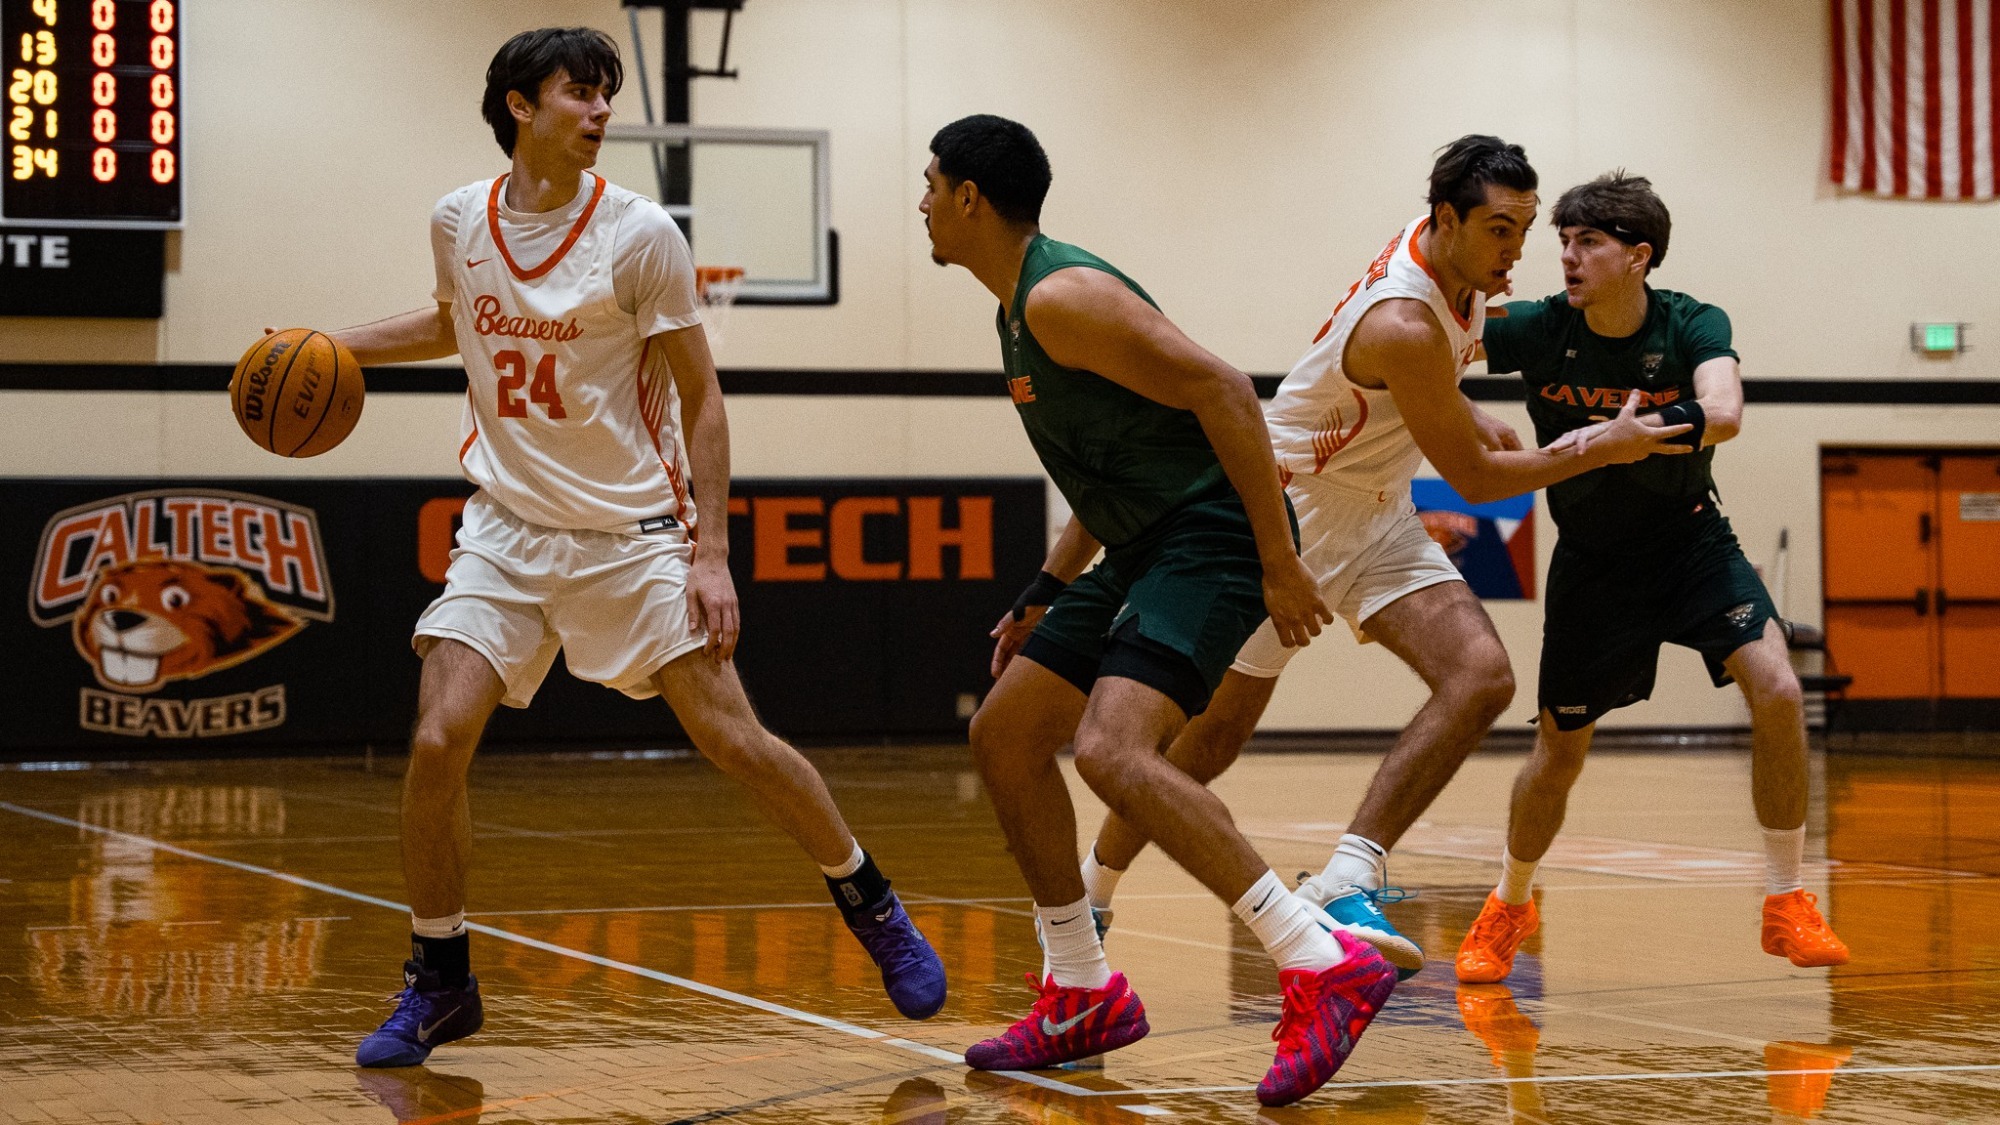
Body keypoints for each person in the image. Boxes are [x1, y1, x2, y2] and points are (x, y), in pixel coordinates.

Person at [308, 27, 945, 1069]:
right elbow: (452, 321)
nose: (600, 112)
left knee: (735, 741)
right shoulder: (458, 219)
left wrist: (711, 553)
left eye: (606, 95)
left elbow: (701, 395)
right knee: (435, 742)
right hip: (505, 530)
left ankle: (871, 903)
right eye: (579, 93)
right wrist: (333, 347)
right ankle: (440, 977)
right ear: (520, 104)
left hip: (631, 535)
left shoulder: (641, 234)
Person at [1065, 137, 1689, 981]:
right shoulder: (1402, 320)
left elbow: (1428, 376)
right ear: (1446, 220)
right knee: (1207, 744)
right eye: (1501, 230)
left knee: (1480, 677)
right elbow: (1472, 479)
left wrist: (1460, 407)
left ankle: (1346, 874)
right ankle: (1090, 895)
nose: (1518, 251)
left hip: (1379, 511)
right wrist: (1599, 448)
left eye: (1525, 228)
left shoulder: (1454, 266)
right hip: (1289, 519)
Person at [923, 113, 1394, 1109]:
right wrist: (1045, 592)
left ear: (970, 196)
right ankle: (1080, 990)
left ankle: (1319, 961)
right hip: (1144, 542)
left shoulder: (1061, 296)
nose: (920, 203)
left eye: (929, 185)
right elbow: (1113, 474)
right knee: (1006, 734)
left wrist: (1276, 559)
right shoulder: (1017, 309)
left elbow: (1224, 389)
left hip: (1212, 538)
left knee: (1111, 751)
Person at [1458, 171, 1849, 984]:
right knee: (1559, 752)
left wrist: (1634, 432)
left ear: (1638, 257)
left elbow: (1727, 410)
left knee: (1776, 687)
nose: (1566, 256)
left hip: (1691, 544)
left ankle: (1787, 899)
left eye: (1587, 242)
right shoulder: (1533, 328)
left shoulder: (1691, 322)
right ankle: (1510, 901)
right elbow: (1417, 352)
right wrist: (1467, 417)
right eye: (1563, 240)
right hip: (1593, 564)